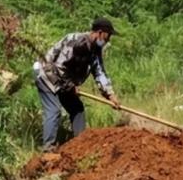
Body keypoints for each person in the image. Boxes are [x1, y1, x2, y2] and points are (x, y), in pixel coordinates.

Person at [33, 17, 120, 151]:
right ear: (100, 32)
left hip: (64, 81)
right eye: (108, 36)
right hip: (47, 75)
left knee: (77, 109)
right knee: (54, 110)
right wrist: (70, 85)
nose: (108, 40)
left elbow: (99, 72)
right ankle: (48, 148)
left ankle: (80, 144)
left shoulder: (95, 51)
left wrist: (110, 94)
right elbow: (59, 67)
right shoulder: (75, 41)